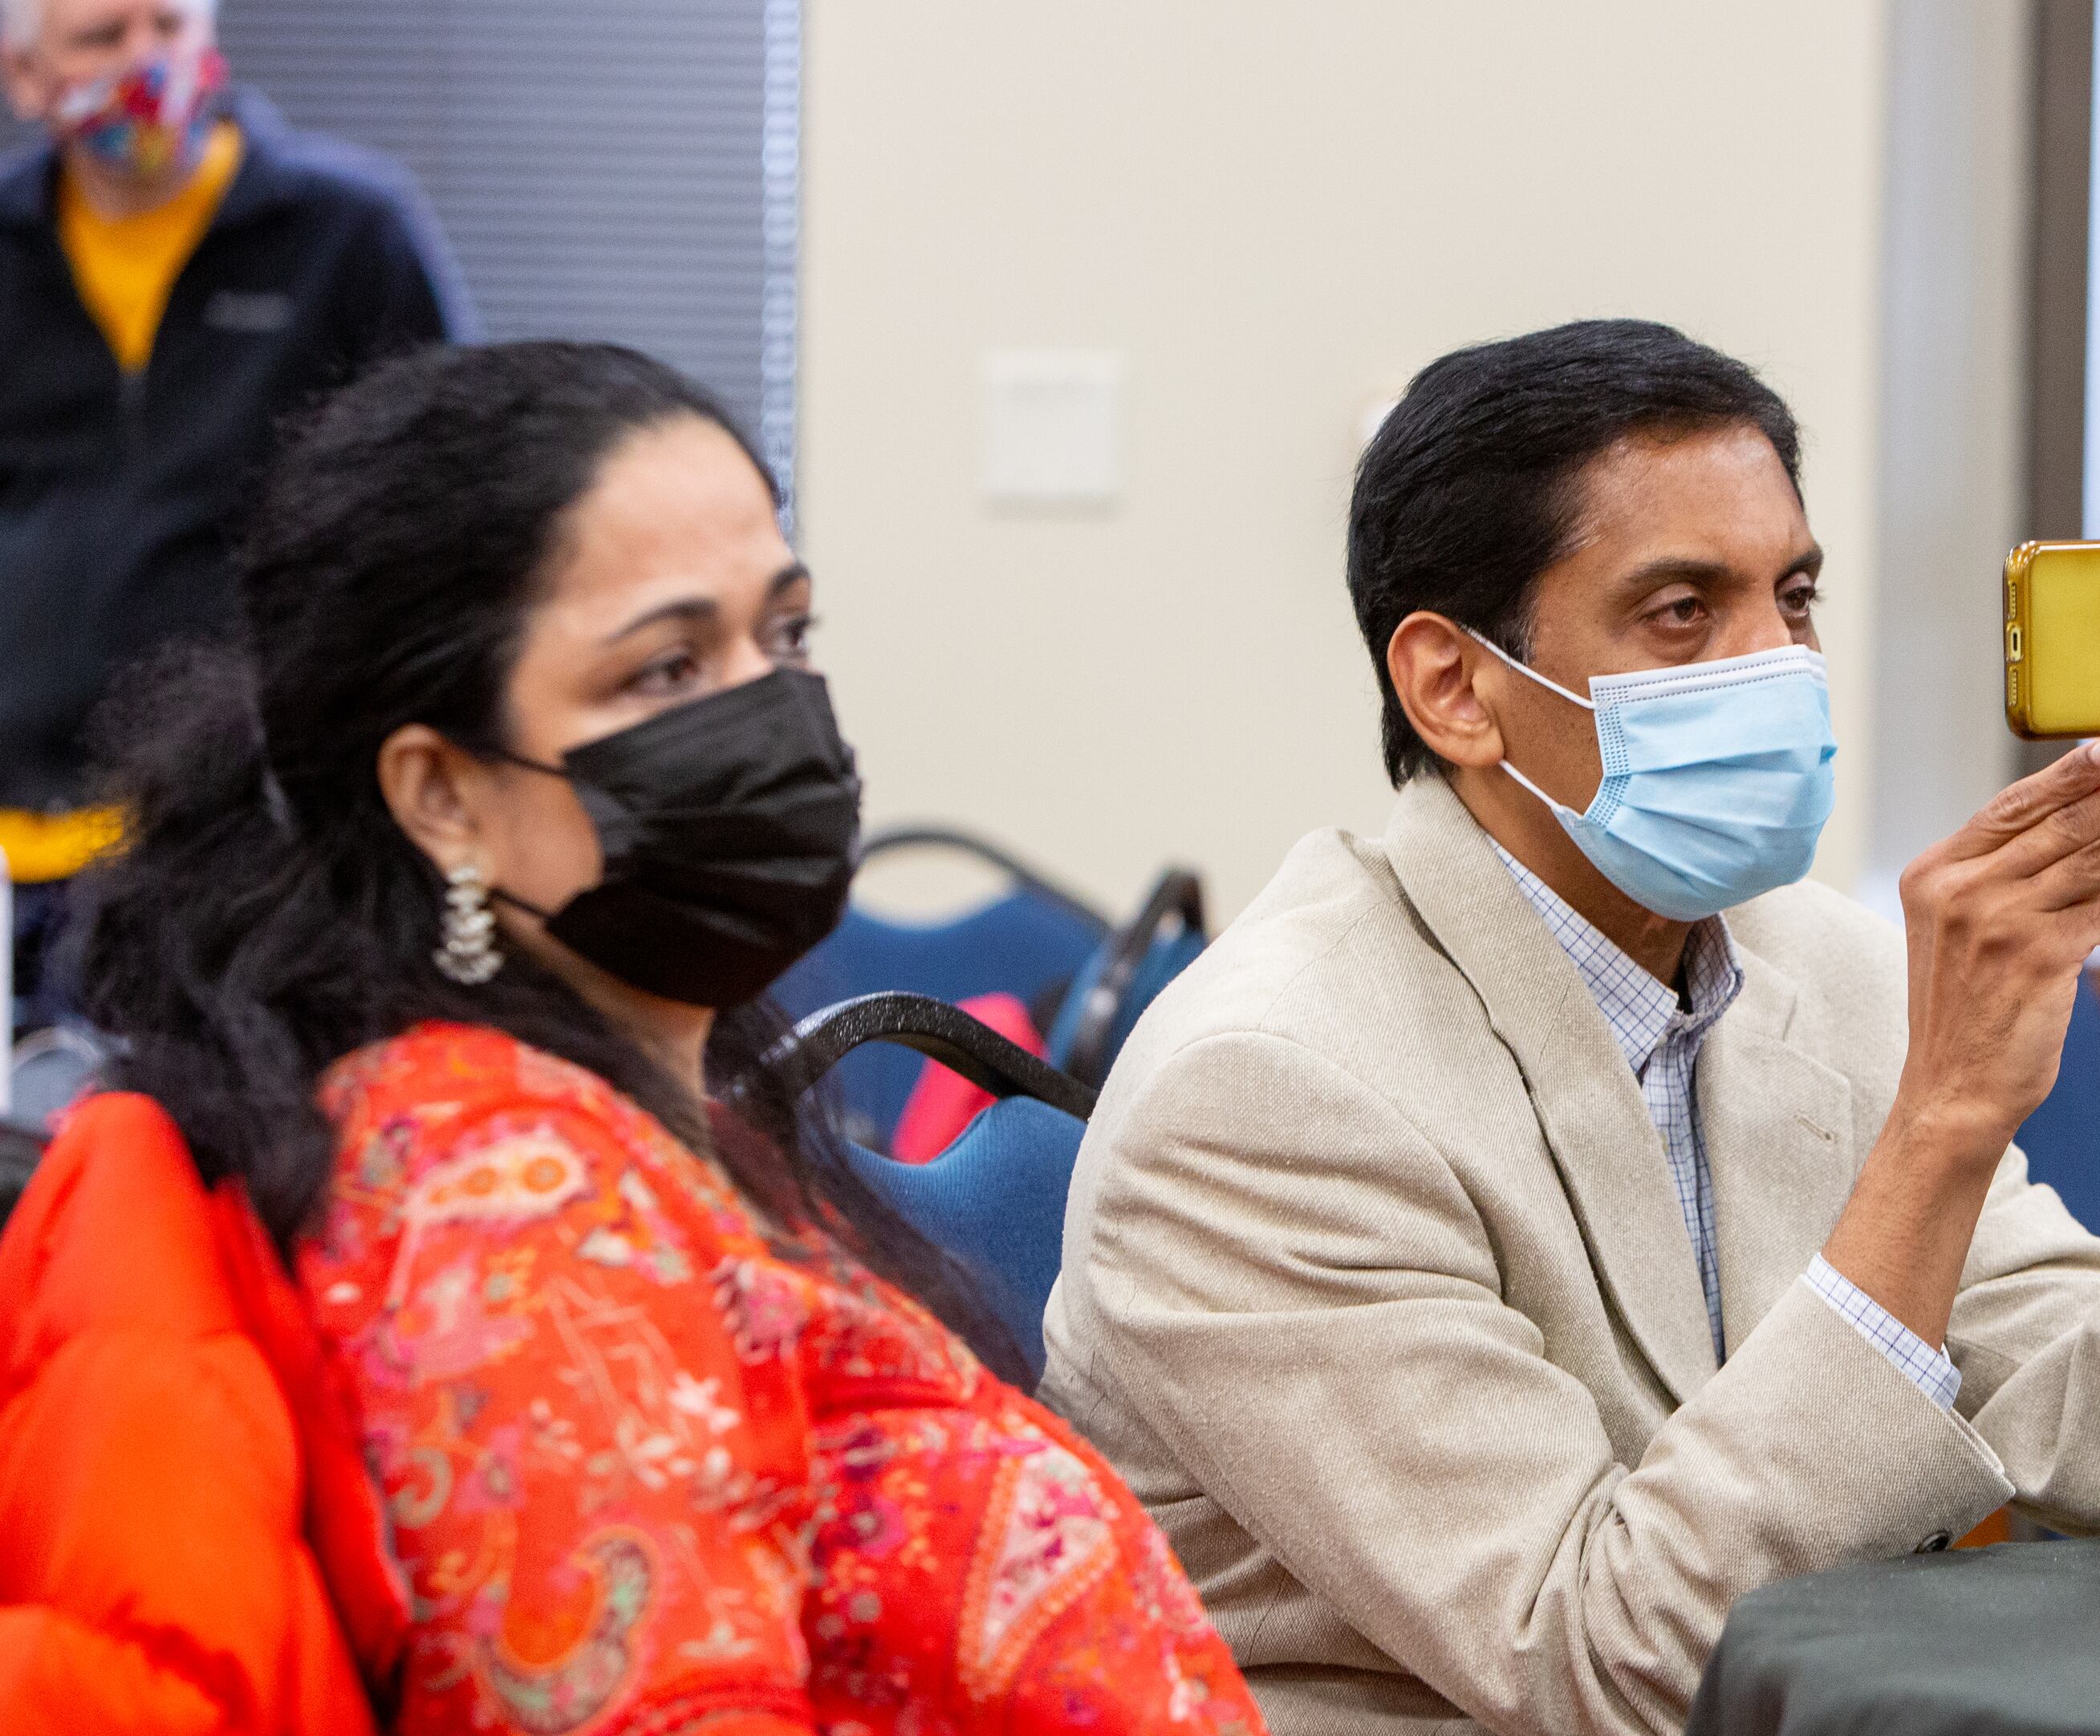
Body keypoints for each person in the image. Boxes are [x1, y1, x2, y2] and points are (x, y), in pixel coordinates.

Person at [1046, 319, 2100, 1736]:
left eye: (1793, 597)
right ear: (1455, 686)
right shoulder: (1265, 1090)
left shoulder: (1832, 970)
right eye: (1683, 610)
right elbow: (1609, 1667)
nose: (1778, 668)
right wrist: (1936, 1127)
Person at [66, 341, 1263, 1733]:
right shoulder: (514, 1218)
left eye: (787, 634)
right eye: (667, 667)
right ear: (442, 793)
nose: (770, 711)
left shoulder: (641, 1114)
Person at [2, 0, 471, 1023]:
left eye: (167, 27)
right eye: (101, 38)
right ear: (25, 77)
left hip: (242, 845)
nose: (145, 61)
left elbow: (437, 507)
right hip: (20, 853)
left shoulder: (348, 232)